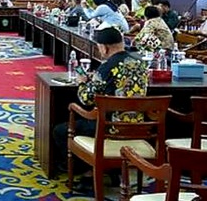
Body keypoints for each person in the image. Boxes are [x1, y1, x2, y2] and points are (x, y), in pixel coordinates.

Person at [52, 25, 148, 186]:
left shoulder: (107, 67)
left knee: (60, 130)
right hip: (137, 126)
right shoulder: (140, 64)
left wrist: (82, 82)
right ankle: (110, 170)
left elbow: (86, 99)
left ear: (104, 48)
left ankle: (88, 171)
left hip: (110, 127)